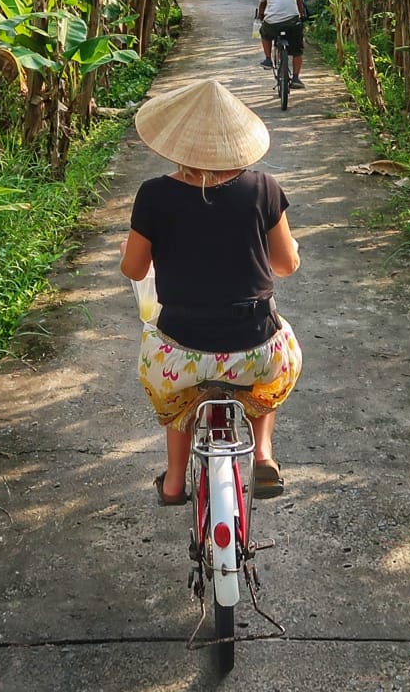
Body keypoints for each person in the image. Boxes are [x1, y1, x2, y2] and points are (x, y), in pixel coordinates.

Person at [119, 78, 303, 504]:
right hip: (254, 349)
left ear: (177, 143)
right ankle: (263, 456)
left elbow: (134, 267)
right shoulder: (263, 189)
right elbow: (286, 264)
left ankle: (172, 483)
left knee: (179, 399)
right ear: (235, 144)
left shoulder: (153, 195)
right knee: (272, 373)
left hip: (179, 352)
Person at [256, 0, 306, 88]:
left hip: (272, 23)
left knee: (264, 33)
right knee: (297, 51)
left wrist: (261, 16)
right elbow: (298, 3)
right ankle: (295, 78)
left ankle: (268, 59)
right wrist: (301, 16)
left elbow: (262, 5)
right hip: (292, 23)